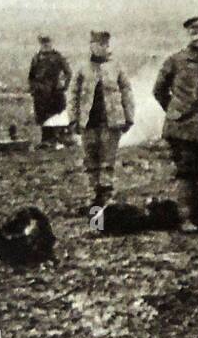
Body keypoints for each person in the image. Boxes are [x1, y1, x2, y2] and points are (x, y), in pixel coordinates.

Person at [153, 17, 198, 228]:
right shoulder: (174, 60)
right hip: (182, 127)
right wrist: (175, 111)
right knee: (185, 171)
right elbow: (159, 90)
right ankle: (184, 217)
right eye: (194, 32)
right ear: (187, 35)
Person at [67, 30, 134, 208]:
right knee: (90, 159)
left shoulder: (117, 66)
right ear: (91, 45)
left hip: (111, 121)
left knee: (107, 159)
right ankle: (93, 195)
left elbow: (127, 92)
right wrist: (73, 119)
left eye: (105, 45)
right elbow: (72, 94)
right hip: (87, 122)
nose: (102, 48)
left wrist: (129, 117)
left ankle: (106, 196)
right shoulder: (82, 68)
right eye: (98, 44)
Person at [27, 34, 71, 147]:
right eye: (43, 42)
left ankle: (58, 140)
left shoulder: (57, 57)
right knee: (43, 117)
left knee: (57, 115)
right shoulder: (36, 58)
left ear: (51, 43)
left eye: (47, 42)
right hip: (41, 94)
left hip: (54, 92)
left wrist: (64, 86)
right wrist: (33, 89)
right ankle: (46, 140)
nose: (46, 44)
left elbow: (68, 72)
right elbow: (31, 76)